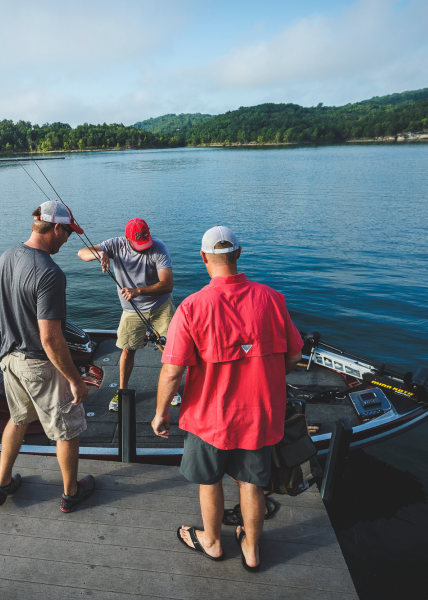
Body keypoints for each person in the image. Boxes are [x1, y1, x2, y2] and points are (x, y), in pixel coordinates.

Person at [151, 225, 303, 572]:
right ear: (238, 254)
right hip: (260, 416)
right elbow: (294, 356)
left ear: (204, 258)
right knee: (252, 484)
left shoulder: (191, 307)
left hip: (209, 419)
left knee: (210, 481)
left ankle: (213, 541)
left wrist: (161, 412)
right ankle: (250, 548)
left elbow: (172, 371)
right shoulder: (272, 299)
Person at [0, 200, 96, 513]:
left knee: (18, 419)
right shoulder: (50, 273)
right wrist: (75, 381)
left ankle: (3, 485)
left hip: (9, 359)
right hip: (38, 364)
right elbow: (50, 339)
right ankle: (71, 492)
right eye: (68, 233)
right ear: (56, 228)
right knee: (67, 429)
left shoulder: (7, 256)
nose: (67, 240)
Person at [77, 218, 176, 412]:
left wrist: (138, 291)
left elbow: (167, 284)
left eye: (145, 242)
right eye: (138, 244)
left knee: (169, 350)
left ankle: (171, 389)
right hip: (131, 310)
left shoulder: (159, 247)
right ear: (127, 239)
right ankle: (122, 391)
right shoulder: (115, 244)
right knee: (127, 350)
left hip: (161, 306)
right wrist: (100, 254)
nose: (143, 247)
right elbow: (81, 253)